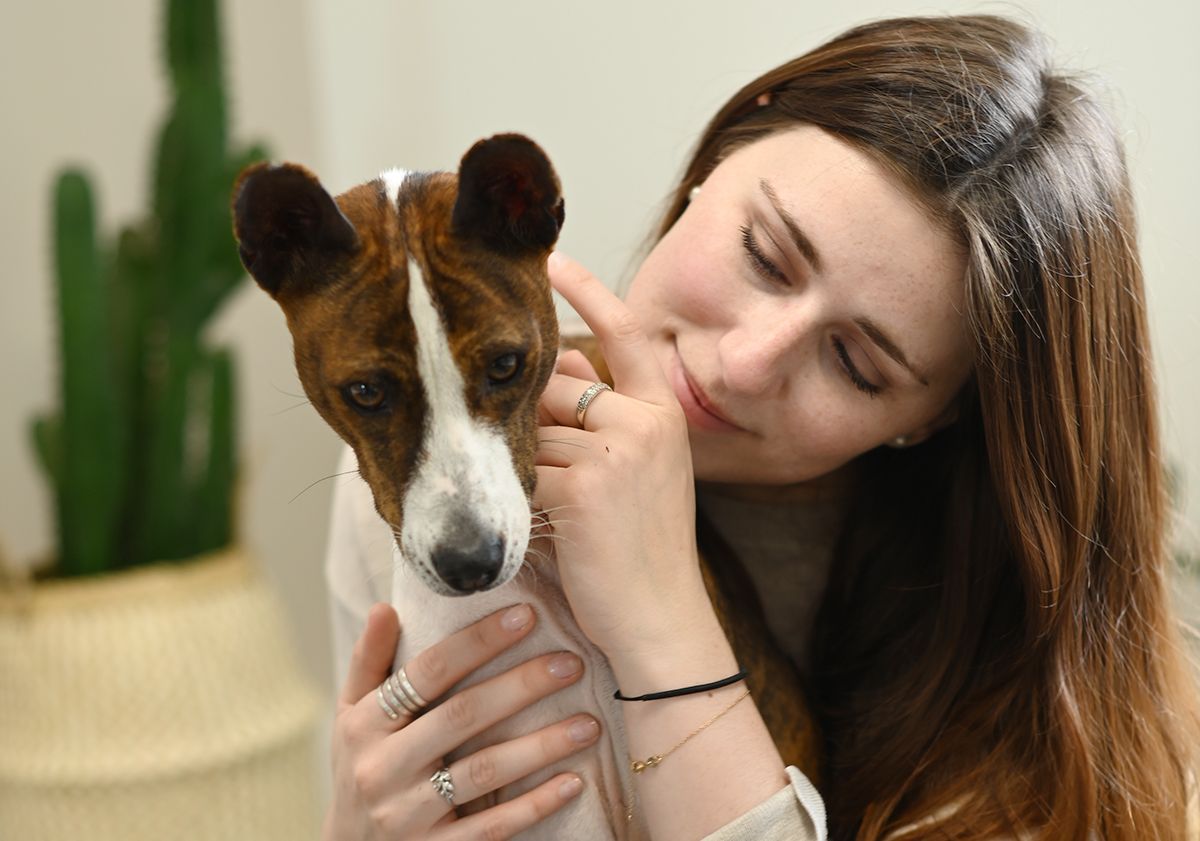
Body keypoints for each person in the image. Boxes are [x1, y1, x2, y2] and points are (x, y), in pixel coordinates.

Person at [321, 14, 1200, 841]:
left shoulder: (1038, 689)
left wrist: (663, 622)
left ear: (935, 420)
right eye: (764, 254)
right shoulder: (440, 469)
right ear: (724, 149)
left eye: (857, 363)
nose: (745, 362)